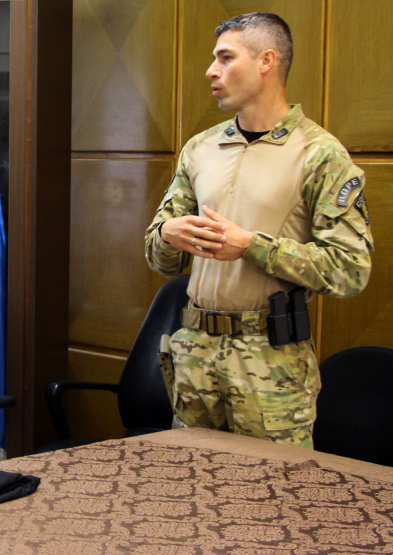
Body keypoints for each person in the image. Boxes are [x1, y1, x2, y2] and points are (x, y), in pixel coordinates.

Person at [144, 12, 372, 448]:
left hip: (270, 362)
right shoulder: (200, 148)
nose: (212, 70)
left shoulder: (319, 153)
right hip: (195, 353)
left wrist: (251, 246)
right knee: (187, 492)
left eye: (225, 58)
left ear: (266, 61)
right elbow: (160, 259)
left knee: (272, 503)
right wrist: (167, 234)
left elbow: (350, 269)